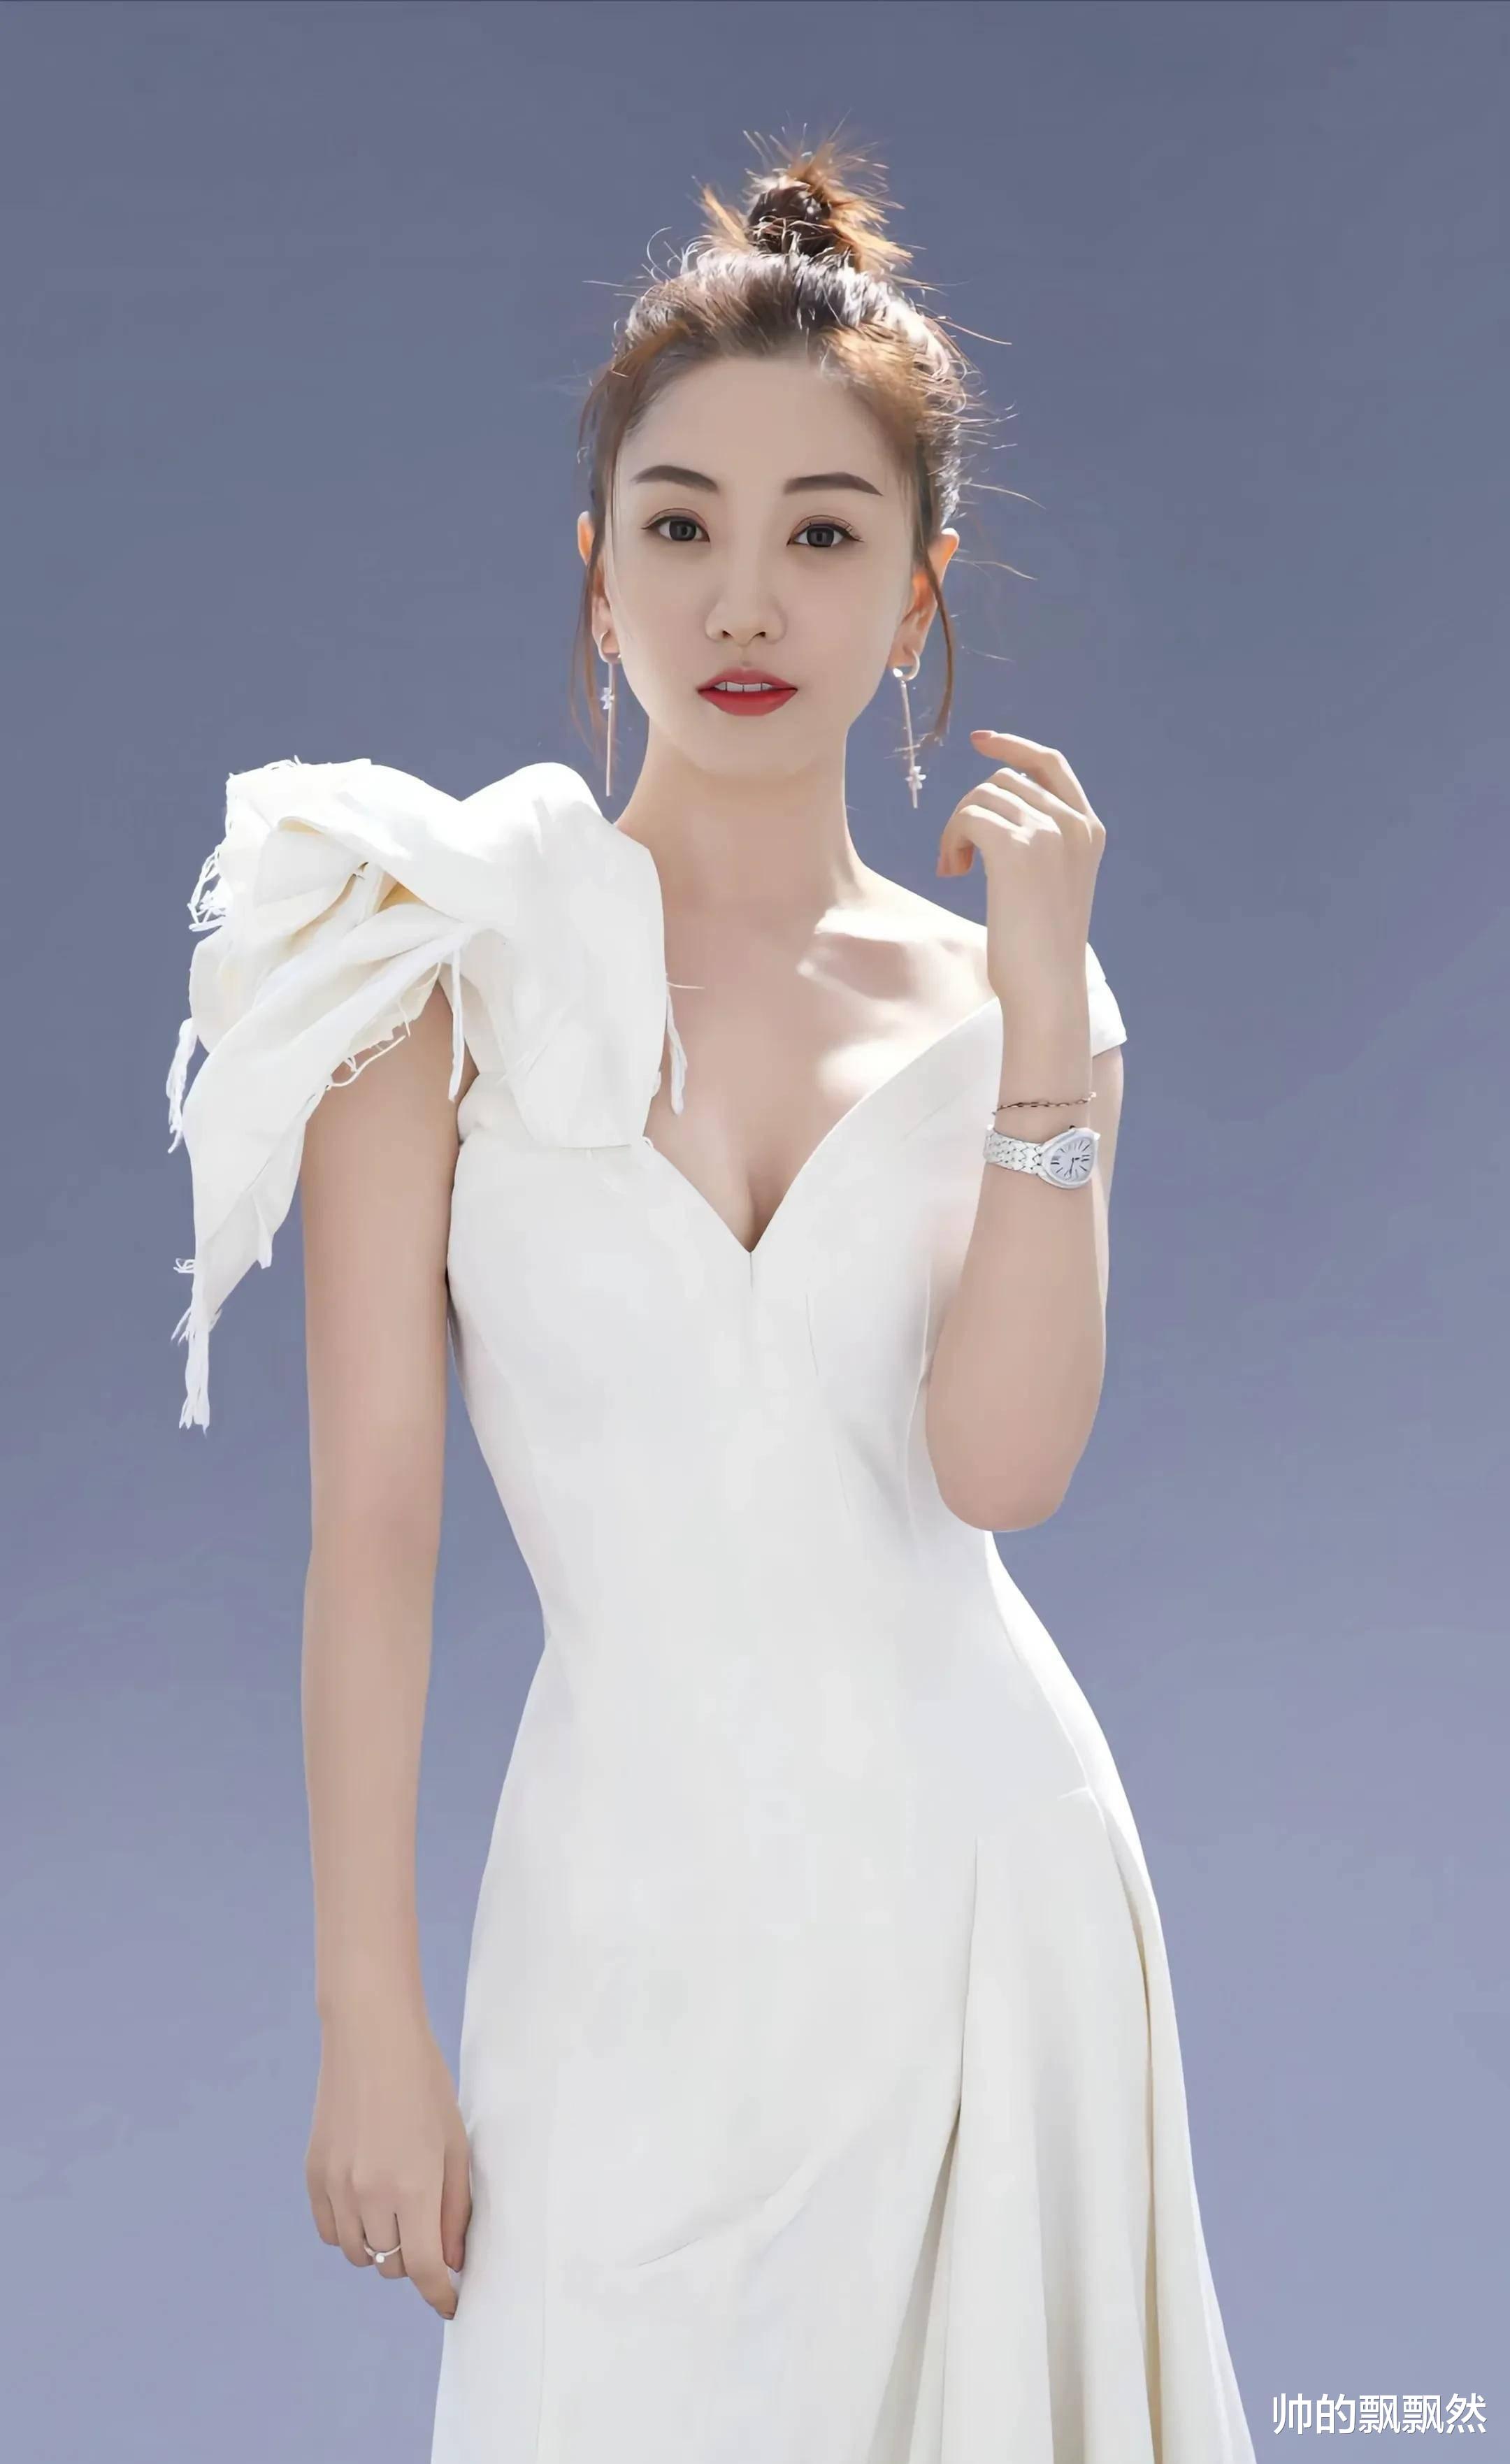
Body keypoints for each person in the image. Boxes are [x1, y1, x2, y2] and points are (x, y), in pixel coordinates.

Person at [166, 131, 1255, 2464]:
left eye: (824, 536)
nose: (745, 597)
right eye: (682, 527)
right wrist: (368, 2010)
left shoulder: (1020, 1009)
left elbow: (1006, 1471)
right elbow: (376, 1527)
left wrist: (1044, 1020)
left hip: (987, 1920)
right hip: (623, 1946)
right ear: (597, 575)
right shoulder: (425, 979)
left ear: (919, 596)